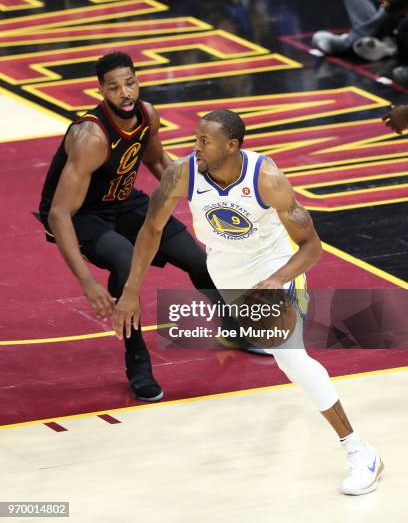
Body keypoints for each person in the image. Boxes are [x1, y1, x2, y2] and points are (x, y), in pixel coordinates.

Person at [111, 109, 383, 495]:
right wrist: (131, 291)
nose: (196, 147)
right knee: (282, 359)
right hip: (226, 274)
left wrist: (277, 279)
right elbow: (151, 230)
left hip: (273, 267)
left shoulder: (267, 179)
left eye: (205, 141)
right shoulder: (182, 174)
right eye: (196, 139)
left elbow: (312, 247)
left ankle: (360, 452)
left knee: (290, 356)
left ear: (232, 146)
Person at [38, 51, 219, 402]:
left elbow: (156, 161)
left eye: (130, 83)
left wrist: (202, 202)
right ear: (101, 91)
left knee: (198, 261)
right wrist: (87, 283)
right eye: (114, 87)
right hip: (82, 214)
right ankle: (137, 359)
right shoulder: (91, 136)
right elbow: (59, 213)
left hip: (123, 200)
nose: (125, 93)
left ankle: (236, 328)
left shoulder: (147, 115)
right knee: (124, 260)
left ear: (138, 81)